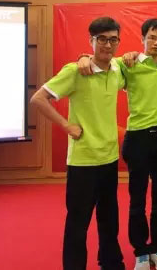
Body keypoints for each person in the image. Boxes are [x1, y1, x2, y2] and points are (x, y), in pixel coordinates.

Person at [78, 18, 157, 270]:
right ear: (142, 39)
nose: (156, 43)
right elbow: (101, 60)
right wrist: (83, 57)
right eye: (152, 38)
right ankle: (140, 251)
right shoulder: (128, 63)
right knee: (137, 198)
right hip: (137, 138)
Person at [30, 17, 126, 270]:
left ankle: (111, 262)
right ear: (91, 40)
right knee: (78, 223)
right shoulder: (75, 71)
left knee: (109, 219)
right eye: (102, 39)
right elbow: (38, 98)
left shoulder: (117, 69)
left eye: (113, 39)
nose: (108, 45)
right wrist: (66, 125)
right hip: (83, 161)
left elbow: (133, 58)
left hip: (109, 158)